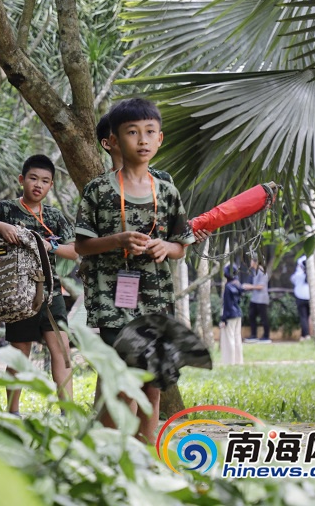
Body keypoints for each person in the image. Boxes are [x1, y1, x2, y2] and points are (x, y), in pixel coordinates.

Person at [75, 98, 194, 443]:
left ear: (160, 139)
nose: (142, 140)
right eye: (132, 132)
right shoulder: (98, 190)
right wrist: (118, 240)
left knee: (151, 386)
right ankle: (111, 452)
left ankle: (145, 454)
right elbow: (82, 245)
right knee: (122, 381)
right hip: (113, 303)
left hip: (155, 302)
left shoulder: (167, 191)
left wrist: (165, 247)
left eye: (149, 132)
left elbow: (181, 246)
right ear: (114, 139)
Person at [0, 154, 78, 413]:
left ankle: (68, 413)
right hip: (17, 293)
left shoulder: (55, 216)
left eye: (45, 181)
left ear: (51, 185)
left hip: (51, 291)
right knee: (20, 350)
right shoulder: (4, 209)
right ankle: (13, 411)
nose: (38, 185)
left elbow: (74, 250)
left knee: (62, 349)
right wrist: (0, 227)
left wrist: (50, 246)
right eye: (33, 178)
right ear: (21, 179)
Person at [242, 256, 271, 343]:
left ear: (256, 262)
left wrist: (249, 286)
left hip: (262, 299)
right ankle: (253, 335)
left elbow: (261, 286)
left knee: (264, 318)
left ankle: (266, 337)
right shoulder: (255, 272)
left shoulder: (262, 272)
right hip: (254, 298)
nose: (250, 263)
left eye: (251, 261)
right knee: (252, 316)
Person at [220, 265, 243, 365]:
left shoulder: (228, 287)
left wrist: (223, 319)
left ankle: (230, 362)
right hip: (238, 314)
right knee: (237, 338)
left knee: (229, 339)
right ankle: (238, 361)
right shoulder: (238, 284)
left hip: (230, 316)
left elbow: (227, 305)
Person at [291, 256, 311, 341]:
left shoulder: (298, 274)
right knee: (307, 317)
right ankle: (303, 335)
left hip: (300, 297)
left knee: (303, 317)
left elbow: (292, 279)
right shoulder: (311, 274)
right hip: (310, 297)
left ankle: (306, 335)